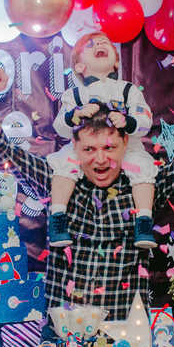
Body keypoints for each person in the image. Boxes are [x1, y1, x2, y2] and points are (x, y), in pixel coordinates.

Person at [0, 63, 174, 340]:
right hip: (64, 337)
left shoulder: (145, 186)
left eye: (109, 148)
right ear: (75, 148)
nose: (100, 158)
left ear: (125, 144)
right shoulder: (55, 180)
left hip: (126, 339)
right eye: (89, 149)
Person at [48, 32, 157, 249]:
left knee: (144, 166)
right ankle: (57, 218)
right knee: (63, 164)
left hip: (125, 144)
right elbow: (60, 127)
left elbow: (145, 119)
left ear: (116, 62)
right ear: (79, 66)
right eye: (91, 45)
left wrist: (128, 121)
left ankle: (143, 221)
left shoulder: (128, 90)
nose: (99, 43)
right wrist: (75, 115)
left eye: (105, 42)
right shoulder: (74, 95)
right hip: (85, 148)